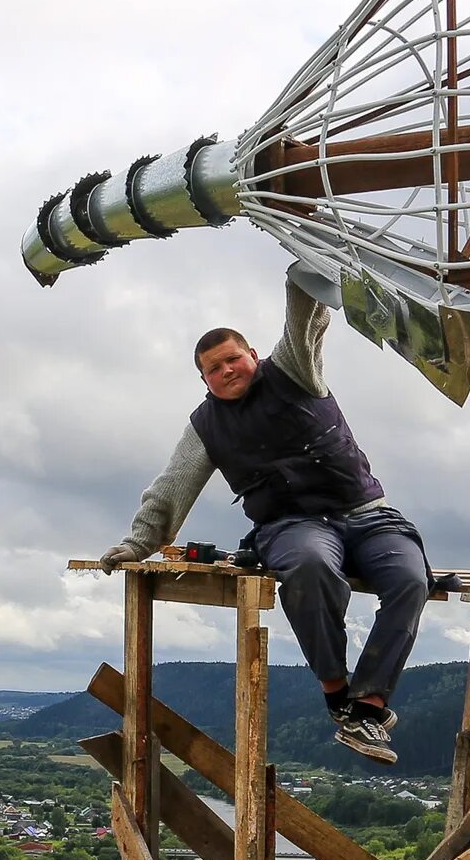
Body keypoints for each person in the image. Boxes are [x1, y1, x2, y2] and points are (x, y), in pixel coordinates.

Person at [101, 277, 430, 766]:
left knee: (410, 580)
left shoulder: (294, 371)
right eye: (214, 368)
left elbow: (305, 322)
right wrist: (136, 545)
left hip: (366, 513)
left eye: (233, 358)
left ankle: (370, 705)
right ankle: (337, 691)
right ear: (205, 380)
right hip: (292, 525)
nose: (226, 370)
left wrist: (307, 267)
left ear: (252, 354)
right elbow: (172, 486)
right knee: (311, 567)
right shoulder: (205, 425)